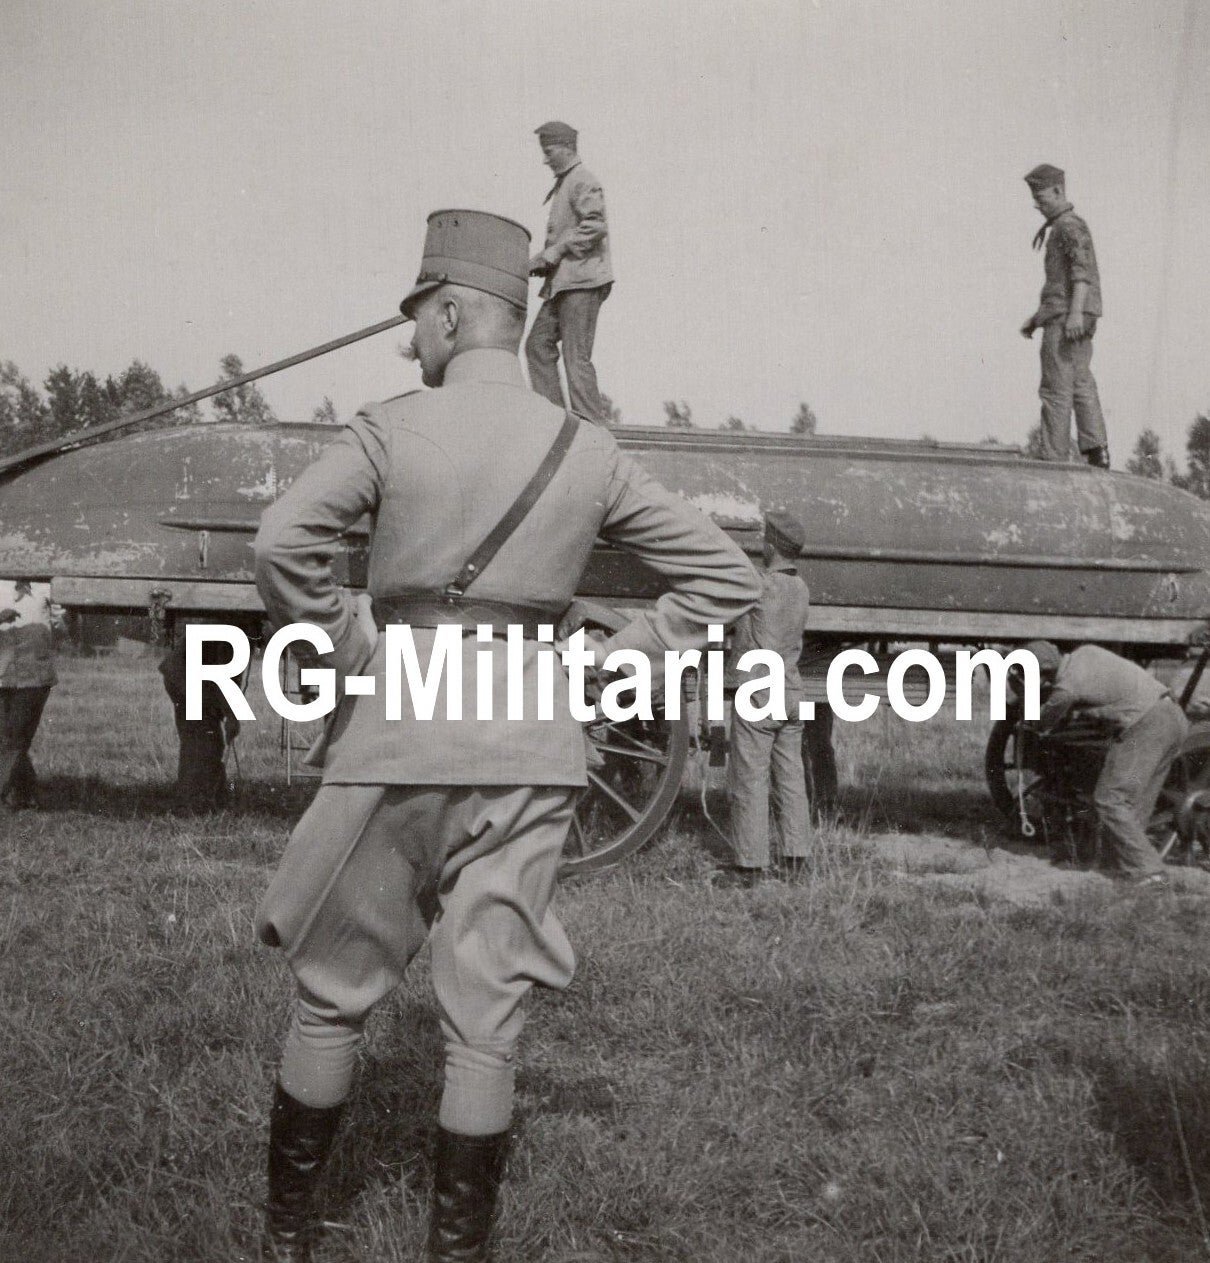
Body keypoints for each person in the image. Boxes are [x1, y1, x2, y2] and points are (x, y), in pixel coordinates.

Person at [251, 208, 759, 1262]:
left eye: (418, 326)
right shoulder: (588, 448)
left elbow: (285, 539)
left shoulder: (389, 426)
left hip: (397, 728)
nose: (412, 347)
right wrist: (603, 668)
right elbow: (723, 576)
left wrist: (354, 645)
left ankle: (286, 1241)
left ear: (448, 313)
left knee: (331, 996)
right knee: (487, 1022)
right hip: (534, 745)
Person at [1021, 640, 1187, 881]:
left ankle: (1151, 873)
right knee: (1135, 803)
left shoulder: (1066, 688)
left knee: (1110, 800)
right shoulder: (1087, 651)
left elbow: (1044, 721)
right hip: (1172, 717)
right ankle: (1125, 867)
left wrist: (1028, 721)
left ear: (1042, 671)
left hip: (1147, 726)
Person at [721, 512, 813, 886]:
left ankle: (749, 866)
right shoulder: (802, 588)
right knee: (791, 777)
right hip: (792, 691)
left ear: (771, 546)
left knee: (750, 779)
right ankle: (796, 859)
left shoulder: (761, 586)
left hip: (760, 694)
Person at [1019, 164, 1108, 468]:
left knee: (1055, 388)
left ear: (1058, 191)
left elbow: (1080, 275)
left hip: (1067, 319)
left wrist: (1072, 315)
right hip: (1072, 315)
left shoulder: (1067, 227)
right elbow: (1063, 283)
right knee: (1080, 381)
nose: (1038, 206)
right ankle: (1097, 449)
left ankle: (1053, 457)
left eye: (1041, 198)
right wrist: (1036, 319)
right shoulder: (1068, 226)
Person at [524, 120, 614, 423]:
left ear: (565, 148)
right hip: (565, 283)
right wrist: (542, 260)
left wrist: (553, 253)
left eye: (549, 151)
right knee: (537, 346)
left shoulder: (582, 180)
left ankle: (591, 430)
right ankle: (555, 422)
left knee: (577, 359)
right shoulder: (567, 183)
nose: (545, 159)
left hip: (582, 283)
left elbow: (595, 226)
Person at [158, 631, 241, 814]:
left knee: (203, 738)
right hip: (184, 675)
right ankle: (193, 801)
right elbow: (224, 680)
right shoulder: (234, 634)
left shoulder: (232, 630)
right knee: (203, 739)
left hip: (184, 675)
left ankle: (203, 795)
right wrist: (232, 716)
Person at [0, 579, 56, 810]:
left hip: (33, 676)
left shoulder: (48, 586)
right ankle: (24, 793)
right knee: (6, 738)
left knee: (15, 737)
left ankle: (7, 794)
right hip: (3, 671)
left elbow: (62, 623)